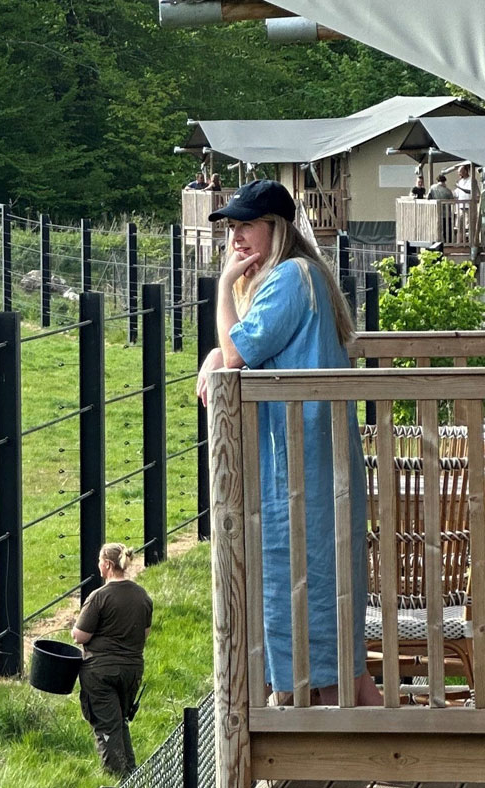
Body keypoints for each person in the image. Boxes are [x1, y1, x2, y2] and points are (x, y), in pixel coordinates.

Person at [194, 179, 382, 708]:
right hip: (311, 462)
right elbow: (238, 353)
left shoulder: (289, 279)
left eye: (246, 225)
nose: (237, 238)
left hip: (300, 466)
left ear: (276, 228)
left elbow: (236, 353)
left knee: (303, 586)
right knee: (322, 597)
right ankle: (400, 759)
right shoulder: (304, 277)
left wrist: (225, 286)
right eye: (232, 228)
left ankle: (341, 741)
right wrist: (217, 356)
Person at [72, 543, 152, 777]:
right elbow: (144, 633)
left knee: (107, 726)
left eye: (100, 561)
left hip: (101, 672)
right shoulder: (142, 595)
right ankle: (130, 773)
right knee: (120, 721)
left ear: (107, 564)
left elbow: (81, 635)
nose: (98, 565)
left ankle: (115, 779)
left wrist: (73, 631)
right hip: (132, 670)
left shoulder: (99, 597)